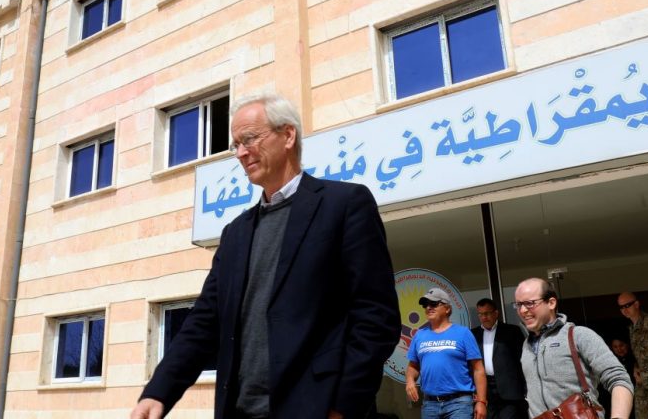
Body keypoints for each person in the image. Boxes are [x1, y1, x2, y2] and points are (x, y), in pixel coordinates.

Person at [130, 93, 401, 419]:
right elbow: (203, 322)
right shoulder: (235, 233)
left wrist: (343, 406)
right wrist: (160, 390)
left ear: (288, 135)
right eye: (236, 145)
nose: (242, 153)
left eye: (250, 139)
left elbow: (375, 317)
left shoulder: (344, 205)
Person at [514, 278, 633, 419]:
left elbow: (618, 378)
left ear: (551, 303)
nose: (522, 310)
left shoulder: (579, 335)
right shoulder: (526, 345)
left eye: (530, 303)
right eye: (518, 304)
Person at [405, 287, 487, 419]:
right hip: (429, 404)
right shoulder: (419, 335)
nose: (428, 307)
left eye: (434, 304)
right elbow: (413, 366)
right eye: (425, 305)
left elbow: (478, 369)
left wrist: (481, 401)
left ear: (447, 308)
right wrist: (410, 381)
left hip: (459, 403)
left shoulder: (463, 333)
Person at [471, 298, 527, 419]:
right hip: (485, 390)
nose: (484, 317)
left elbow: (523, 360)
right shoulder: (473, 335)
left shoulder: (512, 331)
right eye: (480, 314)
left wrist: (525, 389)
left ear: (496, 313)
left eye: (487, 313)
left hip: (509, 390)